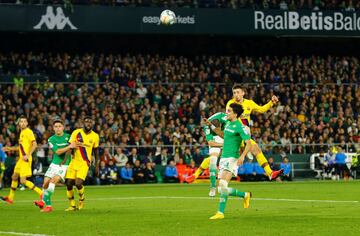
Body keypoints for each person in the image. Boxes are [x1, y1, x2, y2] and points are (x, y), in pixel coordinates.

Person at [225, 84, 282, 180]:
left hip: (244, 135)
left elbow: (262, 109)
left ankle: (270, 173)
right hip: (234, 135)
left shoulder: (249, 103)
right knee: (217, 156)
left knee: (257, 150)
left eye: (238, 92)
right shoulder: (230, 104)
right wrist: (243, 127)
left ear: (243, 93)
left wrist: (271, 102)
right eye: (234, 93)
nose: (236, 95)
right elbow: (229, 117)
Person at [210, 103, 252, 220]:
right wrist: (211, 126)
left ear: (235, 114)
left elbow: (248, 143)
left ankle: (220, 212)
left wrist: (242, 156)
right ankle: (245, 195)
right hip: (224, 157)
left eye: (229, 111)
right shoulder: (228, 123)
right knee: (221, 188)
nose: (226, 113)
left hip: (232, 158)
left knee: (223, 185)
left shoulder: (240, 126)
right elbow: (224, 135)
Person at [34, 119, 76, 212]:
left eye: (59, 126)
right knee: (45, 183)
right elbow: (57, 151)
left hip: (64, 164)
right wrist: (69, 146)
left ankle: (43, 202)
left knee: (53, 181)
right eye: (56, 127)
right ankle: (49, 206)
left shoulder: (68, 137)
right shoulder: (51, 139)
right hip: (54, 164)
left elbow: (73, 149)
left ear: (63, 127)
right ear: (53, 128)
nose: (58, 128)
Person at [1, 116, 43, 204]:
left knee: (23, 181)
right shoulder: (21, 132)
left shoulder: (28, 132)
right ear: (19, 123)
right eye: (21, 122)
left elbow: (35, 145)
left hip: (26, 159)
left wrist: (28, 155)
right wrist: (10, 148)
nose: (23, 123)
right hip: (21, 159)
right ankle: (10, 198)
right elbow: (21, 148)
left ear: (27, 123)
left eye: (24, 121)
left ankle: (42, 193)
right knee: (14, 176)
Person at [65, 116, 100, 211]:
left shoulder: (95, 136)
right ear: (83, 123)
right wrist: (65, 160)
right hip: (74, 161)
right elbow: (70, 147)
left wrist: (97, 165)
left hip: (85, 162)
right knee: (68, 183)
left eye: (90, 122)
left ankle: (81, 198)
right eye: (87, 121)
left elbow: (96, 152)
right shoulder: (76, 133)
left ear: (92, 123)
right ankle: (72, 205)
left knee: (78, 183)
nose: (88, 123)